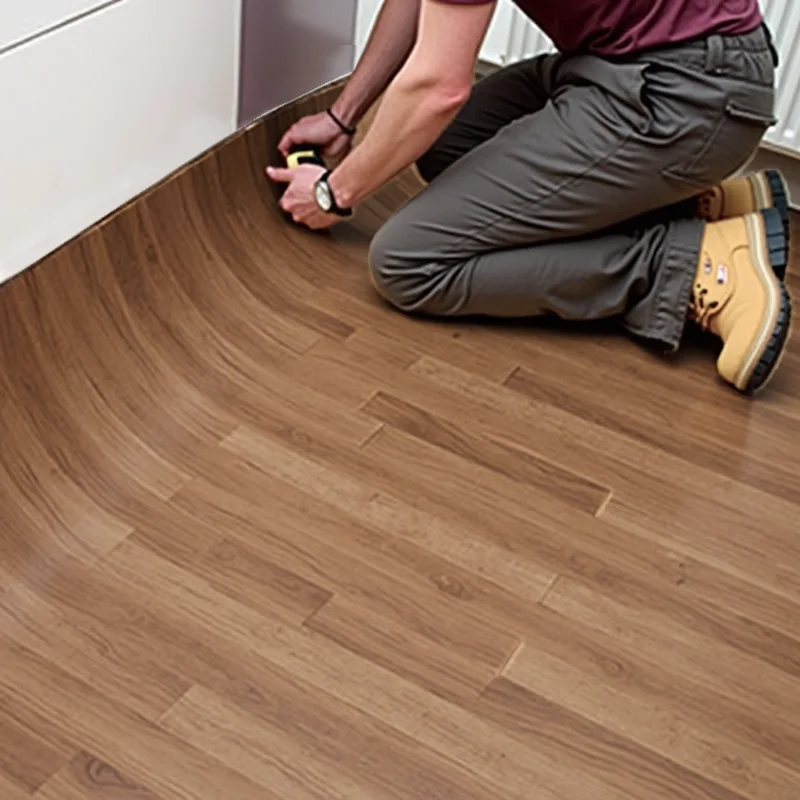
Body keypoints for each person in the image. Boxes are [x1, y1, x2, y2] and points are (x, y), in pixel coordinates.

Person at [267, 0, 793, 396]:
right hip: (633, 67)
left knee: (408, 262)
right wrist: (343, 117)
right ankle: (694, 206)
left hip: (683, 94)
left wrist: (333, 194)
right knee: (448, 145)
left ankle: (684, 264)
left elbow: (438, 89)